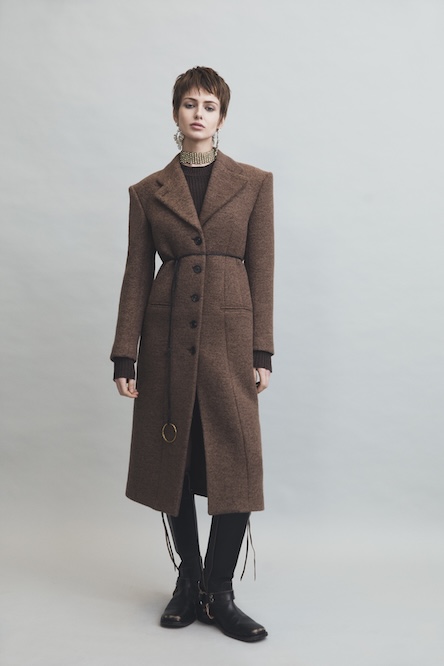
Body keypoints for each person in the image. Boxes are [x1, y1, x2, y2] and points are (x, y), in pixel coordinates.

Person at [111, 66, 274, 643]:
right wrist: (125, 354)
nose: (198, 113)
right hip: (165, 337)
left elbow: (262, 270)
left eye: (209, 105)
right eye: (189, 103)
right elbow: (136, 275)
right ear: (176, 112)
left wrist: (262, 349)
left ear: (222, 116)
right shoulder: (147, 191)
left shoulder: (254, 183)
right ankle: (189, 581)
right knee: (172, 455)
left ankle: (219, 591)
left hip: (230, 339)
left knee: (236, 458)